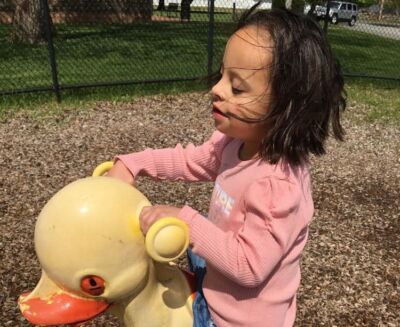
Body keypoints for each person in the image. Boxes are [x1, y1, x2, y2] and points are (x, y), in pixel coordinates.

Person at [107, 5, 346, 327]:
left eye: (237, 87)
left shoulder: (277, 186)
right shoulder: (234, 142)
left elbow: (248, 266)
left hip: (236, 320)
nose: (216, 89)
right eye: (222, 75)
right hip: (215, 277)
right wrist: (133, 163)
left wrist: (185, 220)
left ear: (288, 108)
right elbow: (190, 160)